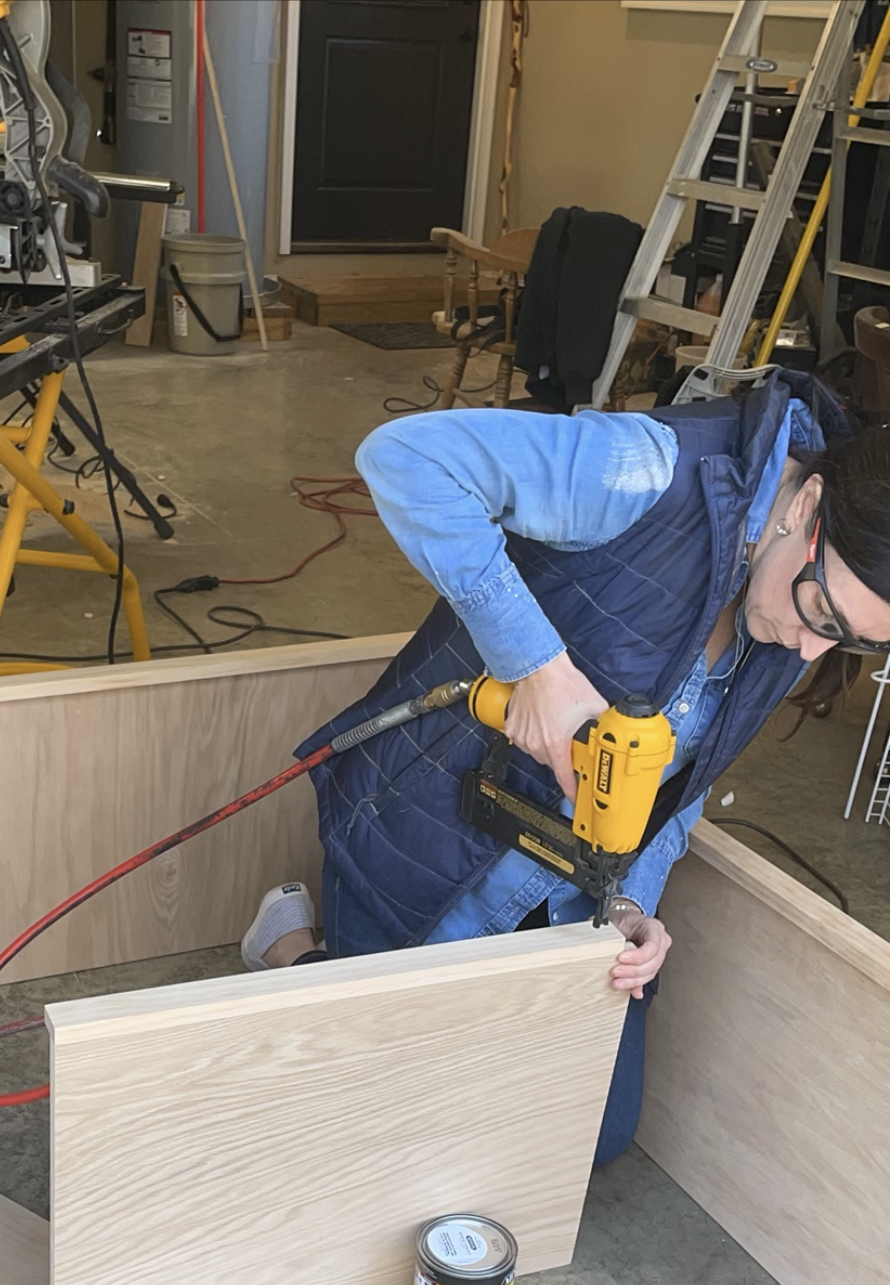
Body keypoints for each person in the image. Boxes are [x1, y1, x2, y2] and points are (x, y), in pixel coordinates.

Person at [241, 371, 890, 1162]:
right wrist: (537, 664)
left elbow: (680, 790)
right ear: (804, 504)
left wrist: (628, 908)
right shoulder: (647, 473)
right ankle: (287, 945)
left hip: (567, 896)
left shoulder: (797, 600)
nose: (813, 647)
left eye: (850, 640)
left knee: (591, 1138)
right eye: (823, 615)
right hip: (431, 844)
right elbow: (407, 456)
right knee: (371, 1127)